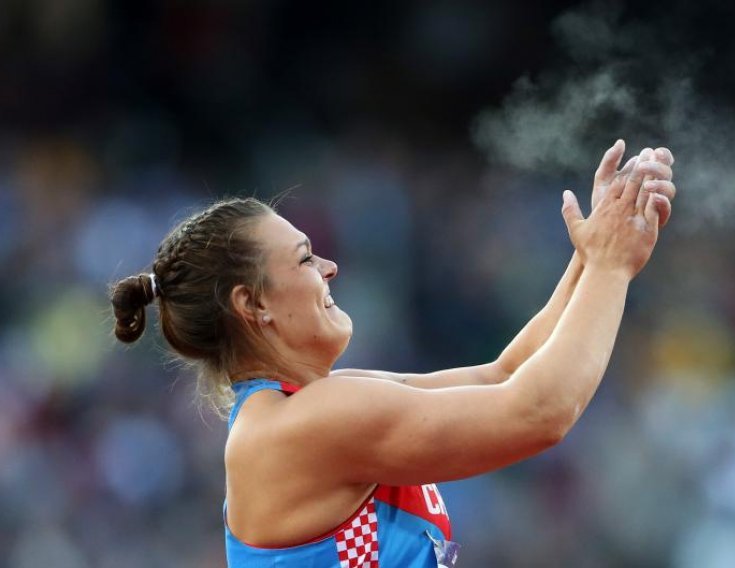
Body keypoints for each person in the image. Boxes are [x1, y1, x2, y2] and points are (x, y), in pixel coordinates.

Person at [110, 140, 676, 567]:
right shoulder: (302, 424)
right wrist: (609, 266)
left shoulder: (312, 407)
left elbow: (503, 374)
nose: (330, 268)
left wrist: (595, 251)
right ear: (252, 304)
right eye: (307, 259)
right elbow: (538, 413)